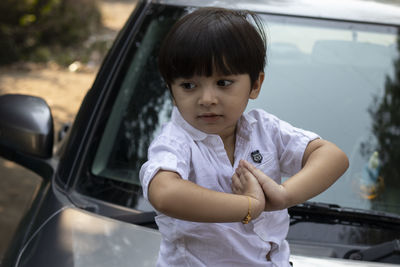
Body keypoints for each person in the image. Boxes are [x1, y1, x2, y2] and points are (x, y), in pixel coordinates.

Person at [139, 7, 349, 267]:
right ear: (172, 91)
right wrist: (249, 206)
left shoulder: (265, 130)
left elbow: (333, 157)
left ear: (256, 85)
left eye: (223, 83)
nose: (207, 99)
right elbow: (165, 193)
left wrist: (284, 196)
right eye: (188, 85)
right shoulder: (176, 141)